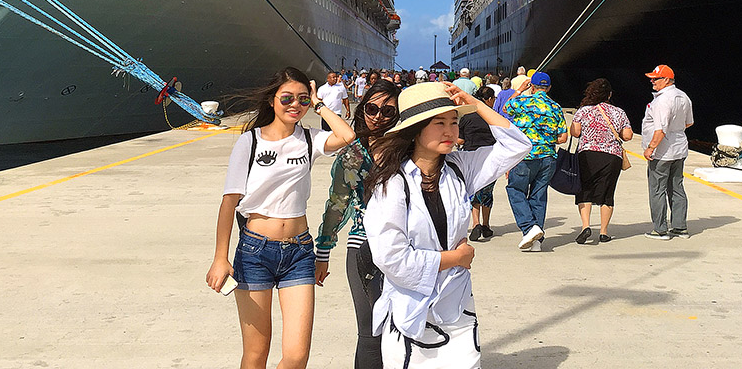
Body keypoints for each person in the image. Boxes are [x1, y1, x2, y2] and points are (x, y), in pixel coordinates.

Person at [364, 82, 530, 368]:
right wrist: (455, 258)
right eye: (439, 123)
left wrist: (476, 104)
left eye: (454, 122)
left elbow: (517, 145)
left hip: (457, 307)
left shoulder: (458, 169)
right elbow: (391, 258)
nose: (450, 132)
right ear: (415, 129)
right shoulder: (392, 184)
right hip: (411, 311)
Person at [206, 67, 358, 369]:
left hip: (300, 252)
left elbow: (347, 135)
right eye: (287, 98)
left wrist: (319, 104)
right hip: (254, 252)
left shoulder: (309, 139)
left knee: (297, 356)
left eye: (302, 100)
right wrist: (220, 257)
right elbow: (229, 202)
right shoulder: (249, 142)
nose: (295, 105)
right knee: (256, 353)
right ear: (272, 100)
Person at [315, 80, 401, 369]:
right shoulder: (352, 156)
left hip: (405, 248)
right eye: (372, 108)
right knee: (370, 333)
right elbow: (337, 204)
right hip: (363, 247)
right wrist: (323, 252)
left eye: (388, 111)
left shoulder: (409, 151)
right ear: (362, 110)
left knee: (405, 330)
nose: (378, 116)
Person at [502, 71, 567, 252]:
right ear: (549, 87)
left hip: (525, 156)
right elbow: (563, 137)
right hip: (547, 157)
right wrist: (546, 139)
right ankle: (536, 242)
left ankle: (529, 227)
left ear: (532, 86)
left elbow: (506, 108)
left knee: (515, 190)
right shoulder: (555, 107)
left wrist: (519, 90)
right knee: (538, 195)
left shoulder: (521, 102)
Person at [569, 78, 633, 244]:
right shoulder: (619, 112)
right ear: (610, 95)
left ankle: (586, 227)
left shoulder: (583, 111)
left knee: (585, 191)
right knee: (607, 194)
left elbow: (575, 133)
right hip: (612, 157)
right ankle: (604, 232)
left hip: (587, 155)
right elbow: (627, 135)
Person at [642, 65, 694, 240]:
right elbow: (689, 123)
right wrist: (675, 130)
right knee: (677, 188)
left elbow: (660, 129)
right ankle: (680, 227)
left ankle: (660, 229)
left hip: (663, 152)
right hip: (679, 149)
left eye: (655, 79)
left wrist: (651, 147)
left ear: (666, 80)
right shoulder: (684, 97)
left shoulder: (662, 100)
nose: (652, 81)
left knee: (657, 189)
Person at [459, 86, 498, 242]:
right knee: (487, 192)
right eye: (493, 98)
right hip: (490, 158)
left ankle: (475, 224)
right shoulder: (492, 117)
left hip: (471, 159)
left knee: (474, 191)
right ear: (488, 100)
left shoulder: (467, 116)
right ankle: (486, 225)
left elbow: (460, 140)